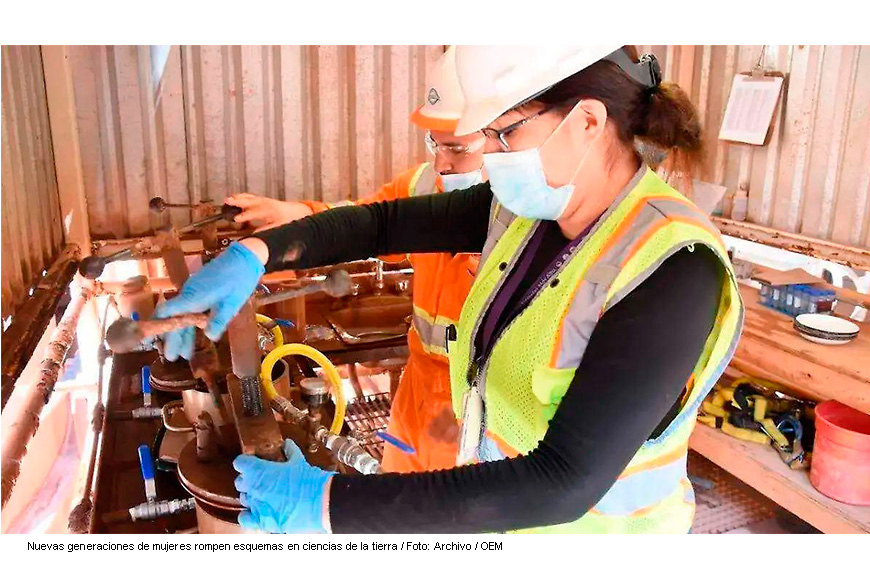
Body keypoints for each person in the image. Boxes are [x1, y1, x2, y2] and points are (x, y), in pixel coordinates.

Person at [157, 45, 744, 534]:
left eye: (503, 133)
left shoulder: (670, 267)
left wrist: (329, 506)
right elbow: (381, 222)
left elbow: (562, 481)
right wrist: (254, 255)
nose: (487, 154)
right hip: (499, 522)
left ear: (588, 122)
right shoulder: (525, 214)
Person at [159, 47, 484, 474]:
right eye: (433, 143)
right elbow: (367, 220)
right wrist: (292, 216)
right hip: (418, 391)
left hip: (475, 409)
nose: (441, 162)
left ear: (503, 136)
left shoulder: (533, 224)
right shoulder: (427, 183)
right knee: (396, 510)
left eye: (456, 149)